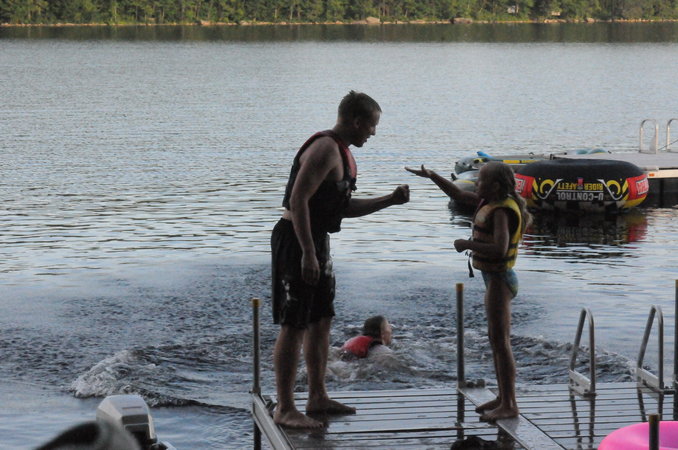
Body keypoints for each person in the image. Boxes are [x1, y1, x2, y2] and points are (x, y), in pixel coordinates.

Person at [271, 91, 410, 429]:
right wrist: (307, 252)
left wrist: (389, 200)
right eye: (372, 126)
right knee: (294, 323)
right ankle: (285, 408)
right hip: (296, 240)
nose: (373, 132)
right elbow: (298, 200)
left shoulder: (343, 154)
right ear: (356, 121)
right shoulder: (324, 149)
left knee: (321, 320)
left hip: (317, 240)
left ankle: (317, 396)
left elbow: (343, 208)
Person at [405, 161, 531, 421]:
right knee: (495, 341)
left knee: (501, 342)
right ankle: (503, 397)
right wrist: (432, 175)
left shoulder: (501, 211)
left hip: (500, 280)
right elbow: (458, 194)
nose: (476, 183)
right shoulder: (491, 202)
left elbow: (500, 249)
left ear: (495, 186)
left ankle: (510, 404)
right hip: (492, 278)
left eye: (481, 180)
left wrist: (467, 244)